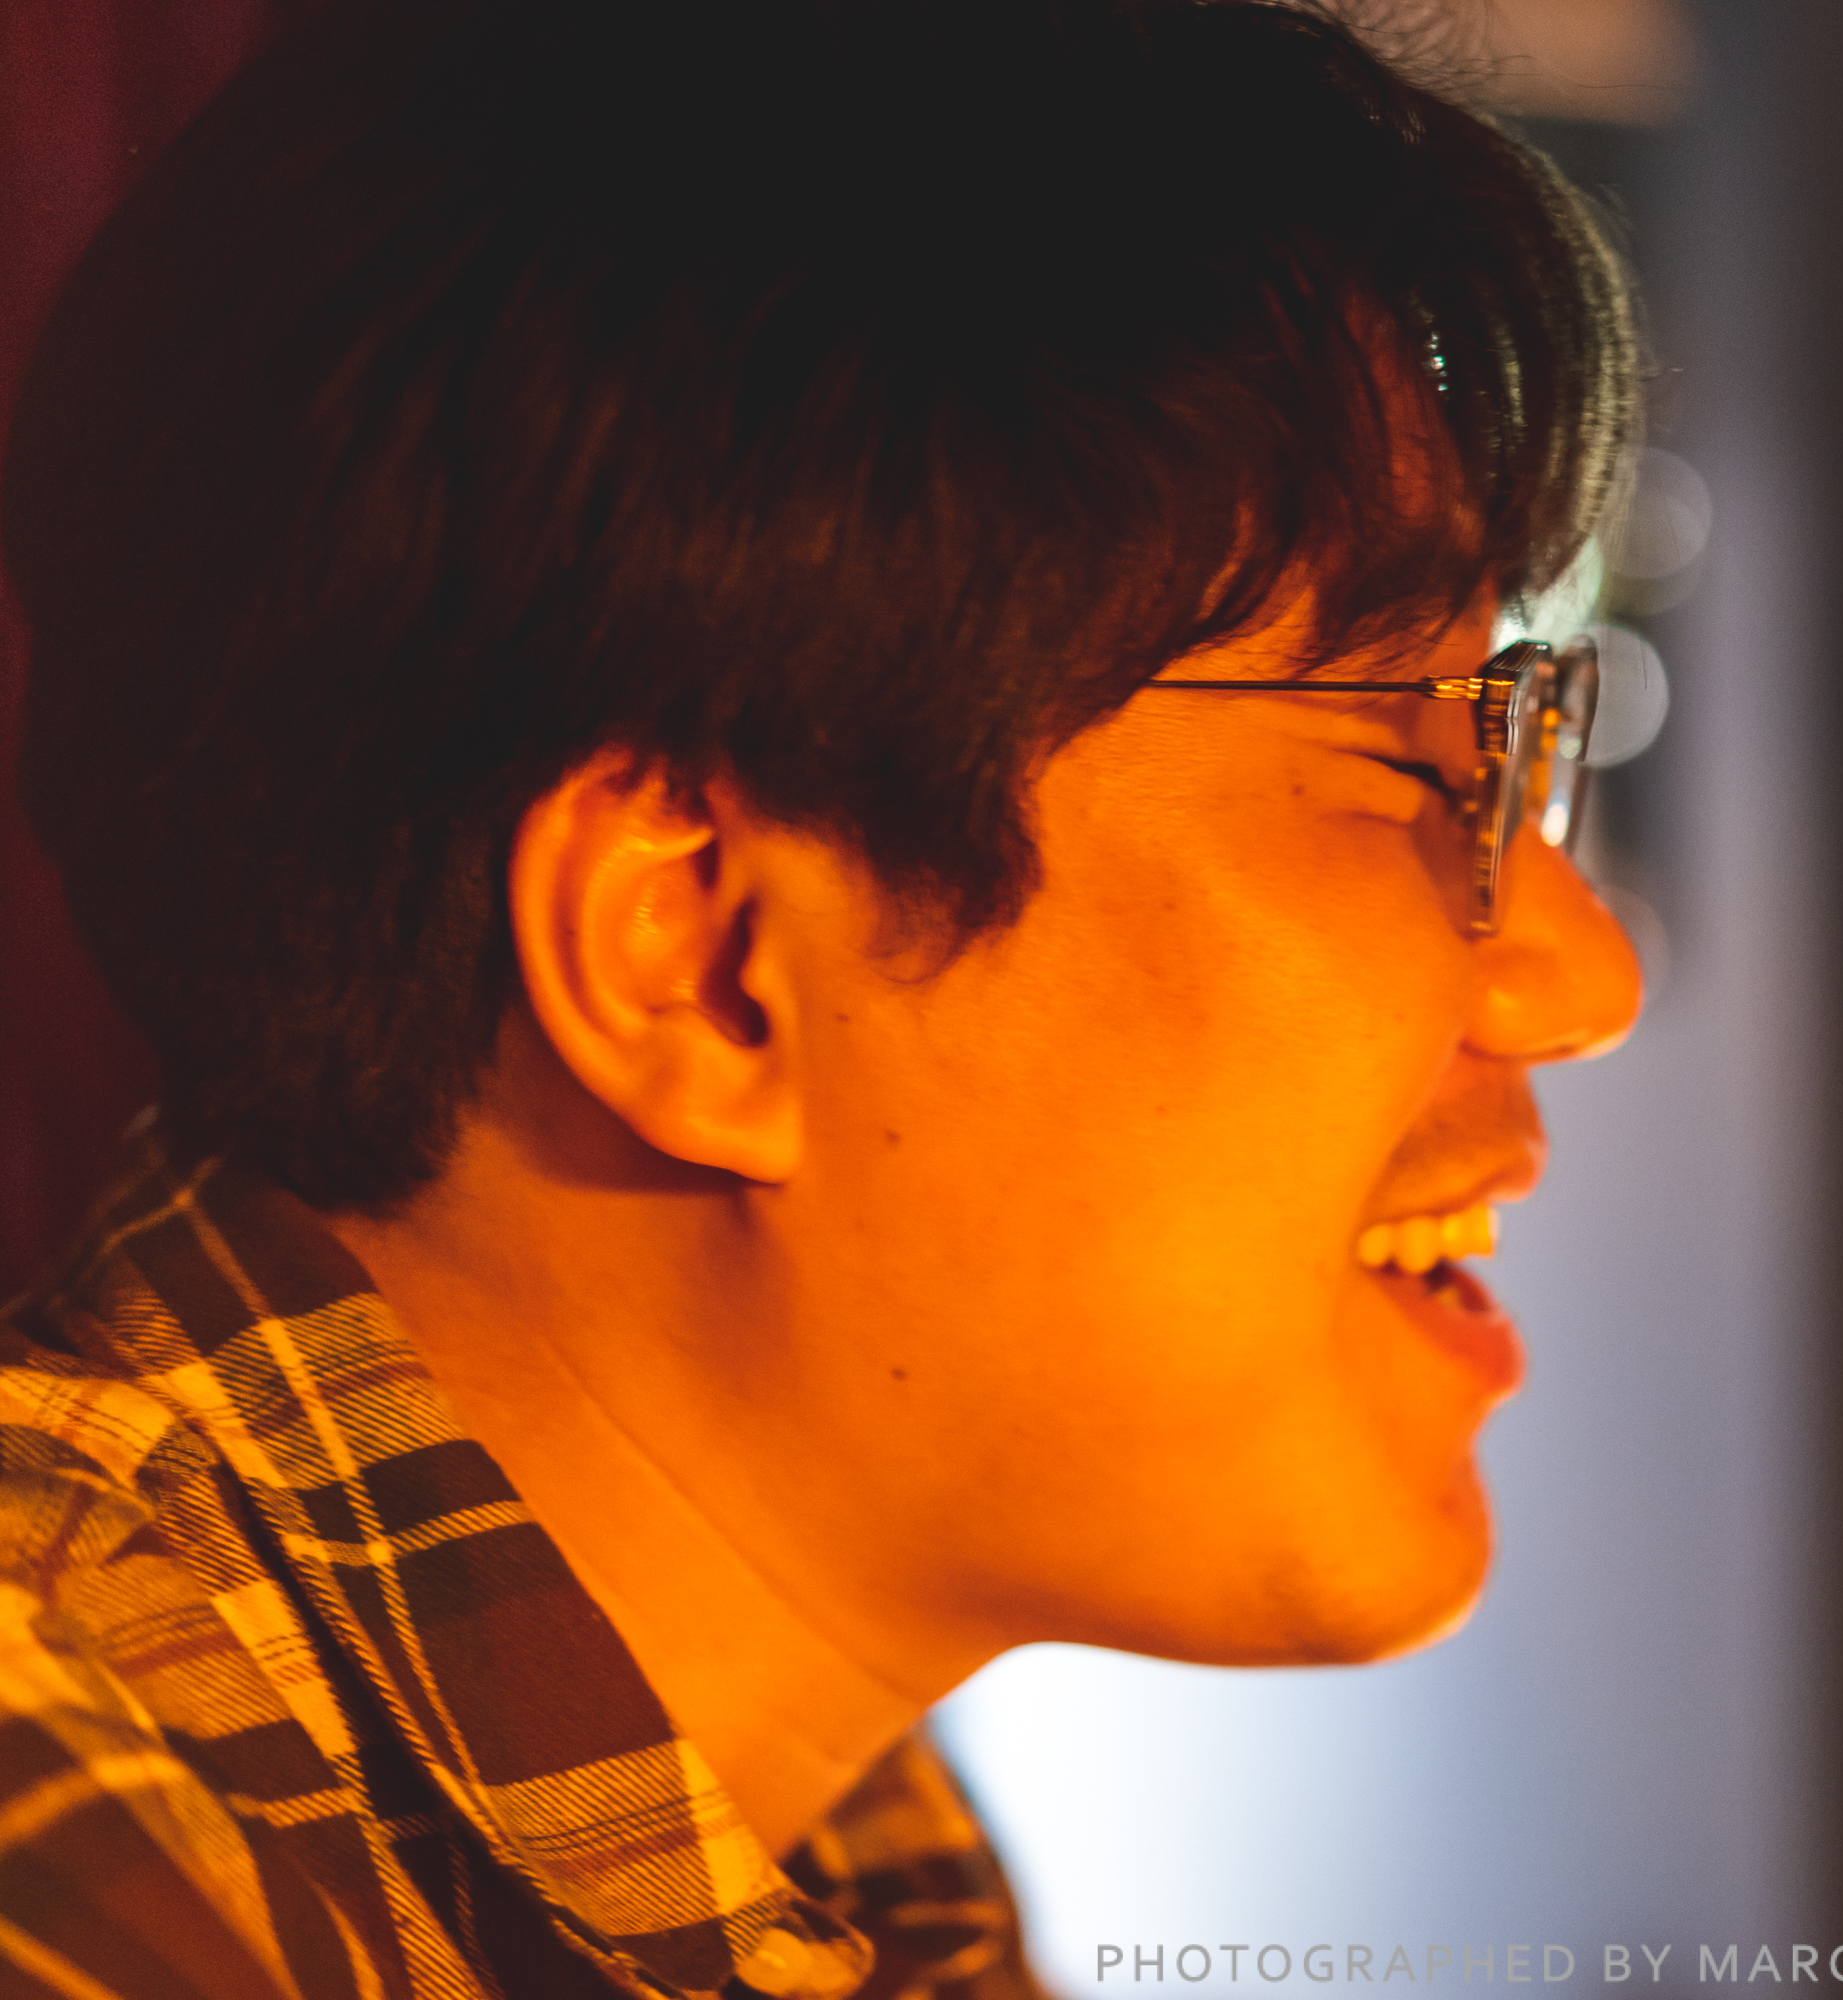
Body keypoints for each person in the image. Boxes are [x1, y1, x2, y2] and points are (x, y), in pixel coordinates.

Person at [0, 0, 1643, 1990]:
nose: (1583, 976)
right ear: (700, 960)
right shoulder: (71, 1871)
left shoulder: (843, 1844)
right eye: (1410, 758)